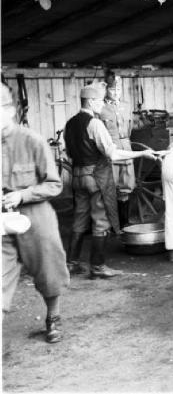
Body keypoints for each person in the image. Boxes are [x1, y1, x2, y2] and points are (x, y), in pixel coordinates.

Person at [64, 82, 155, 278]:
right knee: (101, 221)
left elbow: (70, 154)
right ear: (90, 101)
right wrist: (140, 155)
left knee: (79, 220)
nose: (101, 105)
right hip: (95, 178)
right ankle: (98, 267)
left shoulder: (69, 124)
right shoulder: (94, 123)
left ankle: (71, 263)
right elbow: (111, 154)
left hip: (77, 178)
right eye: (98, 101)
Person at [1, 83, 70, 343]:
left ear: (9, 110)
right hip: (2, 223)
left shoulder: (33, 141)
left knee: (49, 271)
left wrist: (22, 194)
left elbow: (54, 184)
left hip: (35, 217)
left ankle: (53, 318)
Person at [99, 72, 135, 227]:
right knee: (110, 188)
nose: (116, 93)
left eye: (119, 90)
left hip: (126, 150)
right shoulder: (101, 108)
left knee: (126, 187)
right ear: (106, 89)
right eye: (113, 90)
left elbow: (130, 128)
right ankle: (112, 224)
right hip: (111, 152)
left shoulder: (126, 106)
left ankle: (124, 223)